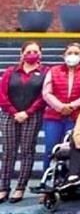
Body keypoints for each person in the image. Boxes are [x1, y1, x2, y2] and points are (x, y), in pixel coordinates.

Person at [0, 41, 47, 203]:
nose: (32, 54)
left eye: (35, 51)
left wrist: (28, 112)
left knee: (27, 151)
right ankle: (3, 188)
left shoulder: (45, 72)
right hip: (9, 115)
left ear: (40, 54)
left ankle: (20, 187)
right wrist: (14, 112)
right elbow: (2, 93)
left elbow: (43, 96)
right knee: (8, 152)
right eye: (28, 51)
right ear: (22, 53)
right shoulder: (10, 71)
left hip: (32, 116)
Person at [41, 43, 80, 169]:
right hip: (54, 116)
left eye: (76, 53)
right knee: (51, 147)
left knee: (71, 148)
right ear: (63, 56)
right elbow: (46, 92)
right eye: (70, 53)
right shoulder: (53, 71)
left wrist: (72, 106)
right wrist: (60, 106)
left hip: (76, 117)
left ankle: (65, 179)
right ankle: (47, 179)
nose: (73, 56)